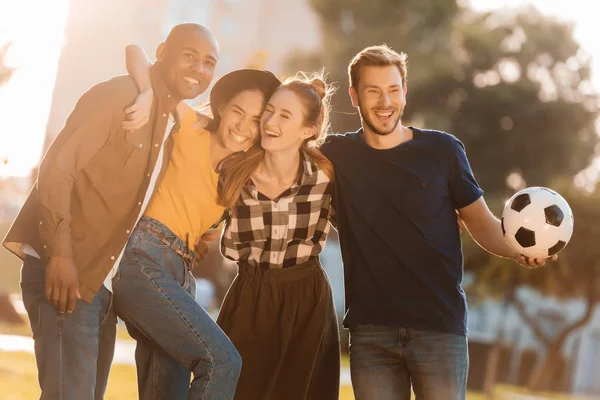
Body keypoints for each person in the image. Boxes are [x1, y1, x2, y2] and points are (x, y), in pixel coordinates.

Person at [318, 44, 556, 400]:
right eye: (373, 91)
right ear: (354, 96)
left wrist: (519, 249)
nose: (386, 102)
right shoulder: (335, 154)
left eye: (393, 90)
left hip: (439, 328)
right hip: (371, 332)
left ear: (405, 92)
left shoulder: (443, 151)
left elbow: (481, 222)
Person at [1, 23, 217, 400]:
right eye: (190, 56)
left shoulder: (170, 121)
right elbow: (57, 169)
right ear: (163, 51)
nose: (199, 68)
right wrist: (61, 252)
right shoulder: (119, 96)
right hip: (66, 270)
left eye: (209, 62)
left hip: (101, 285)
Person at [120, 45, 283, 399]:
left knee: (167, 391)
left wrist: (201, 240)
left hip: (180, 272)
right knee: (223, 363)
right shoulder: (190, 123)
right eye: (238, 111)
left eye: (256, 120)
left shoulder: (242, 175)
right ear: (223, 106)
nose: (243, 126)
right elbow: (136, 53)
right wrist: (148, 92)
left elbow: (206, 229)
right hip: (141, 259)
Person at [215, 73, 340, 400]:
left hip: (306, 298)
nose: (270, 121)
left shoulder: (325, 177)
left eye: (285, 115)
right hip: (249, 295)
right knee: (233, 391)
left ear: (308, 131)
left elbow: (365, 227)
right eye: (269, 111)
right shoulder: (234, 171)